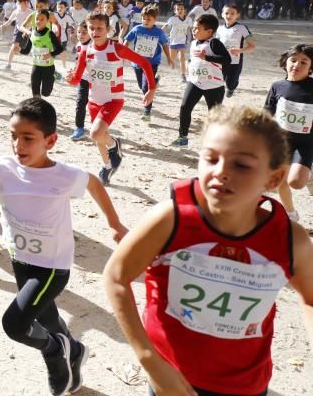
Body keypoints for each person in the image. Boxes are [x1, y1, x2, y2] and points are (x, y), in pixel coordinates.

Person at [103, 104, 313, 396]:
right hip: (172, 382)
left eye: (241, 164)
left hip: (246, 387)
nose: (221, 172)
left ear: (273, 179)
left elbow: (310, 298)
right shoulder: (170, 218)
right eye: (211, 158)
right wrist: (149, 359)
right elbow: (115, 277)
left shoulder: (290, 239)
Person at [0, 97, 127, 396]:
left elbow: (94, 186)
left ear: (50, 140)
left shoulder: (63, 176)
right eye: (13, 136)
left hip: (52, 266)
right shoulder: (3, 169)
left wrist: (115, 224)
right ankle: (73, 350)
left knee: (16, 324)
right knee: (45, 316)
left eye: (28, 138)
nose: (18, 144)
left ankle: (54, 352)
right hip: (19, 259)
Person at [65, 13, 155, 186]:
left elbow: (145, 63)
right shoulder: (85, 51)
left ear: (109, 30)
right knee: (100, 137)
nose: (95, 31)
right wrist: (70, 78)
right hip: (94, 99)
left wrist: (151, 89)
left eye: (99, 28)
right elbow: (77, 80)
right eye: (91, 28)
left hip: (113, 99)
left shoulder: (117, 49)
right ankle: (107, 166)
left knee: (95, 133)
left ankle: (114, 145)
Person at [264, 43, 313, 221]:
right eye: (293, 60)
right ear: (286, 62)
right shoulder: (278, 86)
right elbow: (267, 112)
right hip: (282, 142)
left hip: (305, 143)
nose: (296, 65)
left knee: (296, 182)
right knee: (279, 181)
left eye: (304, 62)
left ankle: (307, 174)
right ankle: (291, 214)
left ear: (310, 68)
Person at [170, 14, 229, 148]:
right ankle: (183, 137)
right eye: (194, 28)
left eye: (197, 29)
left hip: (214, 85)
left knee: (214, 114)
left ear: (209, 32)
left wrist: (207, 58)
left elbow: (227, 59)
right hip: (195, 82)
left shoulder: (214, 43)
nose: (193, 30)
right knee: (185, 107)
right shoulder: (193, 43)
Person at [123, 5, 174, 122]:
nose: (145, 21)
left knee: (147, 88)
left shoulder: (159, 32)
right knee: (142, 86)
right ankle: (154, 82)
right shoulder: (137, 29)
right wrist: (123, 53)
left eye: (149, 19)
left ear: (155, 19)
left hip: (152, 64)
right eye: (144, 19)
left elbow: (165, 45)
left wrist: (169, 58)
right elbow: (127, 40)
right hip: (137, 63)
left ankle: (147, 111)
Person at [215, 4, 255, 98]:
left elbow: (252, 46)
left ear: (238, 15)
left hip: (235, 61)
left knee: (231, 83)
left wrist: (239, 50)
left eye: (232, 13)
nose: (229, 16)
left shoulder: (242, 28)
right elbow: (216, 45)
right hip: (221, 60)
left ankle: (231, 88)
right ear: (222, 14)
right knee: (218, 80)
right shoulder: (220, 29)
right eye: (226, 13)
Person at [68, 22, 93, 140]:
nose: (81, 35)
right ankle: (79, 128)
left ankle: (100, 127)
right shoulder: (78, 45)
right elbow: (78, 61)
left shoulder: (94, 45)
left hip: (97, 81)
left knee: (96, 105)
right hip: (83, 79)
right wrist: (74, 72)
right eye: (79, 32)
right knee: (80, 103)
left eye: (84, 32)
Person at [162, 1, 193, 83]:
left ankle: (183, 75)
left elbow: (192, 29)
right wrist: (158, 33)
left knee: (182, 57)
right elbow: (165, 26)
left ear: (185, 10)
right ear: (175, 11)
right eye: (177, 9)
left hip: (183, 41)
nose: (180, 10)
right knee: (171, 60)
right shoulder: (172, 19)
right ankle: (165, 73)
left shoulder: (189, 19)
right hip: (173, 41)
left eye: (181, 9)